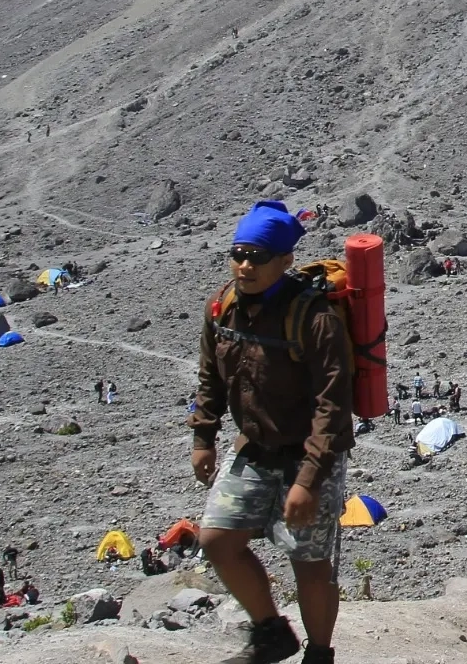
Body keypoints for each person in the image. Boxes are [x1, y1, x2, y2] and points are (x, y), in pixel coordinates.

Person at [191, 201, 354, 664]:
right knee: (217, 541)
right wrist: (204, 436)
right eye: (238, 253)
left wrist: (308, 479)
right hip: (254, 448)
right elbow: (210, 377)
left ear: (284, 261)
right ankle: (271, 632)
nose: (245, 265)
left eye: (258, 257)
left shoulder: (315, 319)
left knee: (309, 562)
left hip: (310, 456)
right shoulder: (222, 308)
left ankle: (320, 655)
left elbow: (333, 405)